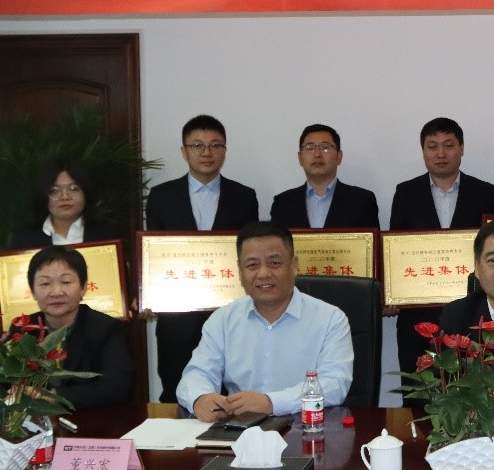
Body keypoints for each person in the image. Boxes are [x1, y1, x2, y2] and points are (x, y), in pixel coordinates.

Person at [177, 221, 353, 422]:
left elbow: (335, 384)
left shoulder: (330, 319)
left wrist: (271, 403)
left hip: (306, 428)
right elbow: (197, 374)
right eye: (252, 265)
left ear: (294, 265)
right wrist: (200, 398)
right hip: (240, 430)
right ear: (240, 271)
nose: (263, 274)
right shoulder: (222, 320)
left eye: (274, 263)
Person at [145, 115, 260, 403]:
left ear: (224, 151)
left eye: (215, 145)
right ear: (184, 151)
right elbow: (152, 255)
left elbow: (251, 254)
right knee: (176, 393)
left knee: (234, 397)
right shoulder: (161, 196)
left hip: (231, 318)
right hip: (176, 320)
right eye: (197, 145)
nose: (206, 152)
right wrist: (146, 293)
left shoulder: (244, 196)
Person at [390, 117, 494, 374]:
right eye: (432, 146)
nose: (440, 153)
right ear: (423, 151)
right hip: (417, 315)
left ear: (461, 148)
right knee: (418, 387)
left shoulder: (484, 192)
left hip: (472, 311)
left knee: (472, 386)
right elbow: (395, 250)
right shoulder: (406, 193)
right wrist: (391, 292)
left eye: (448, 145)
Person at [20, 245, 132, 408]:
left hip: (92, 419)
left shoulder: (107, 329)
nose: (56, 292)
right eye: (45, 283)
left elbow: (115, 387)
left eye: (66, 282)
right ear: (33, 291)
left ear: (83, 287)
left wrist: (53, 396)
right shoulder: (24, 329)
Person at [269, 124, 379, 229]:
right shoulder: (282, 204)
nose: (317, 154)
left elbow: (371, 241)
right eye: (310, 148)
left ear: (339, 156)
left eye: (325, 147)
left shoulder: (362, 201)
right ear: (300, 158)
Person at [10, 159, 118, 248]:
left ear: (85, 193)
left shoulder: (106, 236)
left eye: (73, 189)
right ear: (43, 196)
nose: (65, 197)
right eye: (54, 191)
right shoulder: (23, 239)